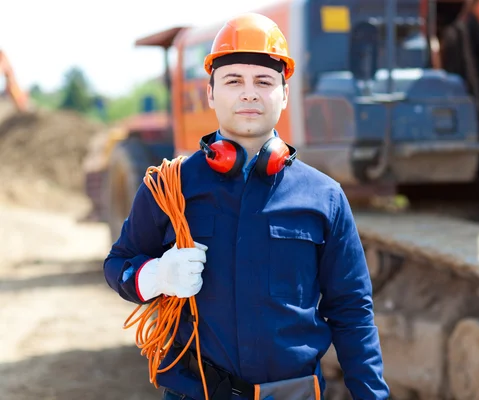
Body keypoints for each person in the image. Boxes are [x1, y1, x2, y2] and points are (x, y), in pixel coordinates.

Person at [103, 12, 390, 400]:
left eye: (264, 81)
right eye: (233, 80)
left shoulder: (325, 197)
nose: (249, 93)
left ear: (284, 94)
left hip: (295, 393)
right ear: (210, 93)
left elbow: (352, 310)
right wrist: (154, 276)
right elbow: (118, 263)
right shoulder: (168, 187)